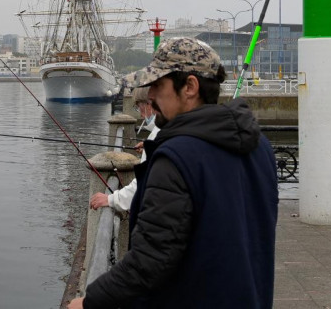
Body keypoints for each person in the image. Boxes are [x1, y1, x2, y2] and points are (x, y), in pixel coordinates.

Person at [69, 38, 279, 309]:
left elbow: (150, 258)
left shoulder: (176, 157)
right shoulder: (260, 146)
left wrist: (90, 301)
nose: (152, 96)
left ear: (190, 87)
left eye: (158, 85)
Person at [89, 88, 159, 213]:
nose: (141, 115)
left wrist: (111, 199)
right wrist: (149, 146)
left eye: (139, 108)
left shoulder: (159, 134)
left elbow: (144, 183)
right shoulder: (167, 131)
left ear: (150, 104)